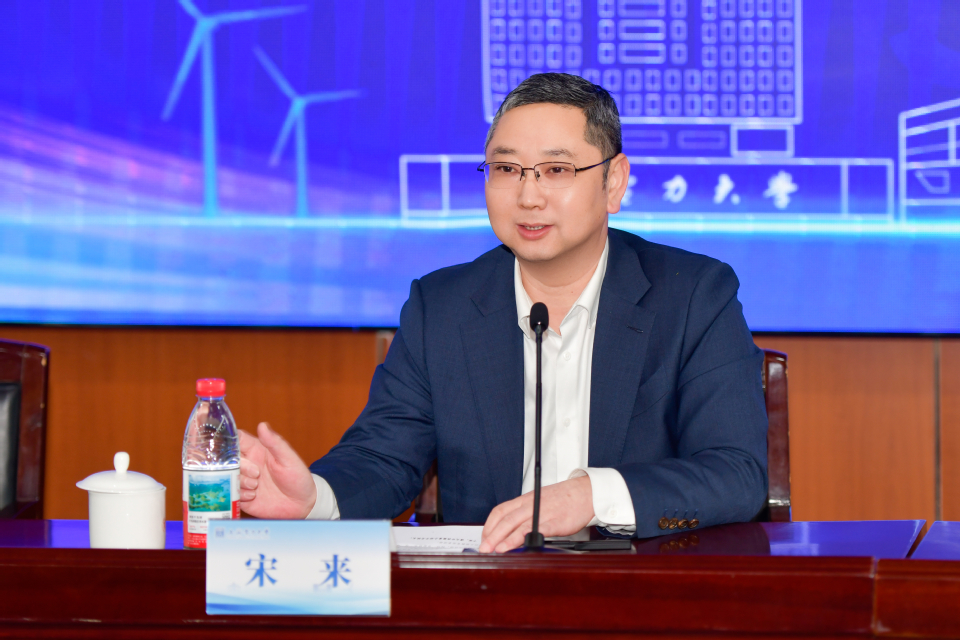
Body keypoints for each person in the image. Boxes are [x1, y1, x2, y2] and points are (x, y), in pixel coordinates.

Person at [237, 73, 768, 552]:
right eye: (506, 168)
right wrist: (314, 499)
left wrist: (591, 495)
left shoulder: (693, 295)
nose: (528, 195)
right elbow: (384, 458)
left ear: (614, 182)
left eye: (556, 169)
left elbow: (736, 473)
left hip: (640, 596)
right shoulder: (441, 306)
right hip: (489, 593)